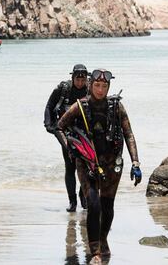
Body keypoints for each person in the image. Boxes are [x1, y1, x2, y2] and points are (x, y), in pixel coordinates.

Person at [58, 69, 142, 264]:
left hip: (112, 163)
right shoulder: (80, 106)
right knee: (93, 205)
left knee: (107, 206)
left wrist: (136, 162)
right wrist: (70, 146)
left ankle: (103, 240)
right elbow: (59, 126)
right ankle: (95, 249)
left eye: (104, 86)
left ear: (108, 87)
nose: (100, 90)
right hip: (87, 163)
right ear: (90, 85)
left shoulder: (116, 107)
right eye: (97, 85)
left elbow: (129, 134)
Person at [44, 64, 89, 212]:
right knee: (70, 167)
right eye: (78, 79)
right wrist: (49, 125)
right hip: (66, 133)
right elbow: (49, 106)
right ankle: (72, 202)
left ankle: (83, 197)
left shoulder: (91, 90)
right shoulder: (63, 89)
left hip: (86, 134)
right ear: (73, 77)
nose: (80, 82)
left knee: (88, 168)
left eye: (83, 80)